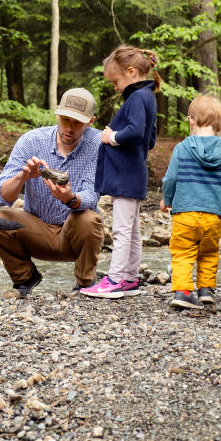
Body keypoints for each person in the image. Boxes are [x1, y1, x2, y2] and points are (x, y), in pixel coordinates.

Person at [0, 88, 104, 297]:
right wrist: (22, 178)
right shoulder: (31, 140)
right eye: (65, 120)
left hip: (74, 234)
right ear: (57, 115)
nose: (70, 128)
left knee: (89, 219)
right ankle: (25, 278)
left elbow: (92, 195)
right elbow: (1, 198)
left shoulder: (99, 144)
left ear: (91, 121)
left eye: (77, 123)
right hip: (36, 230)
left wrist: (70, 198)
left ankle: (85, 284)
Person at [80, 45, 158, 299]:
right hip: (134, 172)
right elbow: (151, 138)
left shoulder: (137, 98)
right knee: (132, 229)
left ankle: (114, 280)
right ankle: (130, 279)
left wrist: (111, 136)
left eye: (116, 80)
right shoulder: (148, 97)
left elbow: (135, 132)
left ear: (132, 72)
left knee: (122, 230)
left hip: (126, 175)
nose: (114, 87)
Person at [159, 95, 221, 309]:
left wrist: (167, 200)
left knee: (183, 253)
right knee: (209, 253)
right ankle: (205, 291)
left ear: (190, 121)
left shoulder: (182, 148)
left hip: (184, 213)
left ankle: (183, 292)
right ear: (220, 124)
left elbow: (170, 179)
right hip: (213, 216)